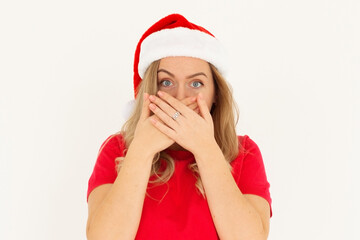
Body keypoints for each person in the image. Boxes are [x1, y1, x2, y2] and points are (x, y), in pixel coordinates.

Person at [86, 13, 272, 240]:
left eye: (196, 83)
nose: (180, 96)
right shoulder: (117, 150)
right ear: (150, 91)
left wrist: (206, 150)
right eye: (167, 82)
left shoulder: (244, 153)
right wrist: (142, 151)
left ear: (215, 94)